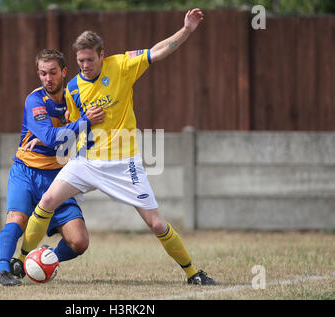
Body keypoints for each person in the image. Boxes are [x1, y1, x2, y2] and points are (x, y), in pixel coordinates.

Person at [24, 8, 215, 285]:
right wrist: (64, 124)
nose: (85, 65)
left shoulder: (122, 65)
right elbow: (74, 127)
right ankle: (21, 260)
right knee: (48, 201)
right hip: (86, 161)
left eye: (90, 59)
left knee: (157, 224)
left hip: (124, 163)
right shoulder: (74, 87)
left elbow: (157, 52)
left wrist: (186, 30)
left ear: (102, 55)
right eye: (80, 61)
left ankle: (192, 273)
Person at [0, 49, 105, 286]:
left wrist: (68, 127)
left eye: (53, 73)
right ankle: (2, 271)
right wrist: (81, 122)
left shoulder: (74, 98)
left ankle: (42, 258)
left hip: (58, 176)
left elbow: (73, 132)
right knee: (17, 219)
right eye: (43, 74)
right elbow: (52, 136)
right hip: (26, 171)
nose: (48, 79)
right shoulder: (35, 100)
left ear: (64, 72)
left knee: (79, 242)